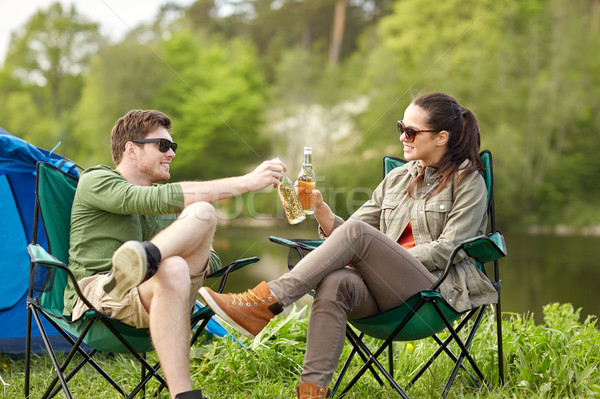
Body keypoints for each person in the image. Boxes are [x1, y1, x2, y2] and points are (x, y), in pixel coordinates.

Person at [199, 92, 499, 399]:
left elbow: (448, 248)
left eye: (411, 131)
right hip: (384, 291)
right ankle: (311, 392)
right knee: (336, 280)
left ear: (441, 137)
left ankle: (266, 301)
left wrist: (385, 258)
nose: (402, 138)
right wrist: (322, 212)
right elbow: (352, 234)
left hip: (433, 292)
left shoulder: (468, 182)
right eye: (400, 128)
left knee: (357, 238)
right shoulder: (397, 179)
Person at [64, 109, 286, 399]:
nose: (171, 154)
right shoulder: (96, 180)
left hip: (155, 293)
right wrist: (246, 183)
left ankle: (146, 257)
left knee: (199, 219)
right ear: (131, 149)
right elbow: (144, 199)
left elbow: (213, 258)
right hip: (101, 291)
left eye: (173, 147)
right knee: (178, 259)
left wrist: (174, 248)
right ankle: (141, 264)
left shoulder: (165, 210)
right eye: (163, 145)